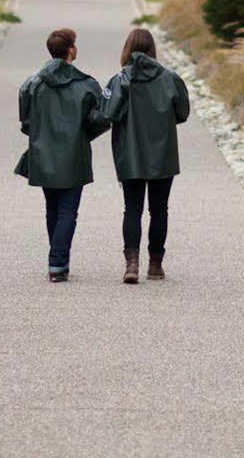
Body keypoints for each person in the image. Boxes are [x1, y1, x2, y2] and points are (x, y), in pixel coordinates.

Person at [15, 27, 109, 283]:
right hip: (73, 154)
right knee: (68, 210)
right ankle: (57, 262)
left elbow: (26, 121)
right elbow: (101, 119)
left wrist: (41, 135)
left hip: (43, 153)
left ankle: (57, 261)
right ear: (70, 49)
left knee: (52, 208)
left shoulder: (33, 83)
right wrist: (81, 136)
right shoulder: (87, 84)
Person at [102, 27, 190, 284]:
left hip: (130, 154)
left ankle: (131, 264)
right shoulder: (171, 79)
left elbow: (107, 113)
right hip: (163, 154)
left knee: (132, 209)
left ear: (127, 50)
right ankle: (155, 265)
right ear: (153, 50)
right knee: (159, 210)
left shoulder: (120, 80)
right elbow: (182, 113)